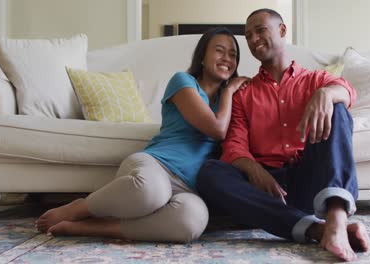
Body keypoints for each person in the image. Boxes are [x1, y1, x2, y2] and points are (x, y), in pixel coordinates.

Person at [35, 27, 250, 243]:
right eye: (220, 51)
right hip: (157, 167)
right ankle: (81, 207)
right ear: (202, 56)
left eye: (233, 55)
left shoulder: (232, 102)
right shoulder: (183, 82)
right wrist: (230, 91)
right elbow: (216, 128)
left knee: (191, 222)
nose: (227, 59)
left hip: (190, 187)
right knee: (152, 192)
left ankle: (97, 227)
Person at [196, 9, 370, 261]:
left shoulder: (314, 80)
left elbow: (348, 92)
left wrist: (326, 94)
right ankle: (318, 229)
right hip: (267, 189)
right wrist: (256, 171)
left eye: (260, 30)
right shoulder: (244, 94)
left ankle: (336, 217)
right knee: (209, 173)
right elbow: (234, 145)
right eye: (248, 36)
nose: (254, 39)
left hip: (311, 180)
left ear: (282, 30)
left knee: (339, 109)